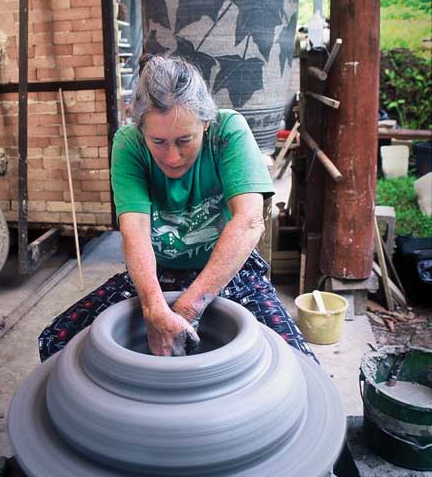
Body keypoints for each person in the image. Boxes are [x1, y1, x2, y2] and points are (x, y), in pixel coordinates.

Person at [39, 55, 317, 362]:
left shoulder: (227, 132)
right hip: (158, 272)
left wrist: (189, 307)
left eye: (185, 139)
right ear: (140, 128)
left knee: (299, 364)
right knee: (56, 343)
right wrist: (153, 308)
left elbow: (249, 221)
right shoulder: (128, 144)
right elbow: (136, 231)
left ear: (206, 122)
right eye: (158, 141)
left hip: (228, 269)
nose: (172, 157)